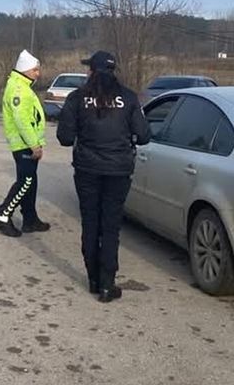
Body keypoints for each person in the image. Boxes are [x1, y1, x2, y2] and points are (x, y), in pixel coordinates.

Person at [56, 51, 151, 302]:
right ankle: (108, 285)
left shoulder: (77, 98)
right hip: (118, 171)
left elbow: (64, 138)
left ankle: (93, 281)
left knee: (90, 223)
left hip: (87, 169)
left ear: (92, 72)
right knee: (110, 227)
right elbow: (144, 135)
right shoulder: (129, 98)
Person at [0, 49, 51, 237]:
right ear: (25, 70)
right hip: (24, 145)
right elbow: (22, 121)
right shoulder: (18, 89)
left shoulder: (22, 86)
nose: (38, 74)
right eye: (35, 70)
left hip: (28, 143)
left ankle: (30, 218)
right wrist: (34, 145)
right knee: (25, 182)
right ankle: (2, 216)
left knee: (30, 182)